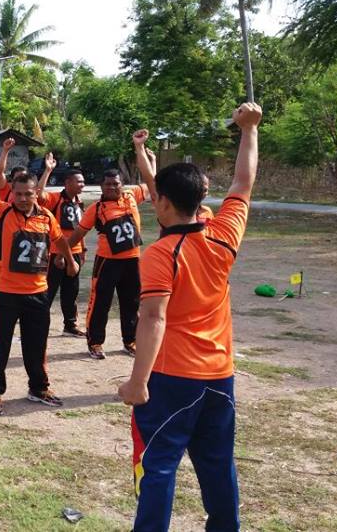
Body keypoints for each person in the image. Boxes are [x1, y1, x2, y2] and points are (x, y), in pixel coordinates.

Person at [118, 102, 262, 532]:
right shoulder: (224, 235)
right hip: (220, 376)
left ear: (161, 201)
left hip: (171, 378)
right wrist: (250, 130)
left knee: (158, 466)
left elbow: (154, 319)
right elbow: (243, 181)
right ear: (201, 200)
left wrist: (138, 381)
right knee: (218, 463)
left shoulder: (161, 254)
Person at [0, 143, 78, 415]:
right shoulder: (1, 211)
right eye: (18, 193)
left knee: (36, 344)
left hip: (38, 292)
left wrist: (70, 260)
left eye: (28, 194)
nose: (23, 198)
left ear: (37, 193)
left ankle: (38, 387)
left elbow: (59, 240)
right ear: (11, 192)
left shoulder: (47, 217)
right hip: (7, 293)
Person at [67, 168, 150, 359]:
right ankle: (95, 342)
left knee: (131, 302)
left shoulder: (131, 196)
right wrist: (64, 254)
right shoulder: (95, 209)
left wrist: (146, 156)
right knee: (100, 303)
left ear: (122, 184)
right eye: (107, 184)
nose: (112, 187)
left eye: (116, 183)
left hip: (133, 260)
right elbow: (79, 233)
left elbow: (150, 181)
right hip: (107, 262)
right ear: (101, 187)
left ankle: (130, 341)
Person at [36, 152, 87, 337]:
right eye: (78, 181)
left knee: (71, 292)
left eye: (83, 181)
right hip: (55, 254)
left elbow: (81, 228)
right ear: (67, 182)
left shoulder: (79, 202)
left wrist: (83, 250)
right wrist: (48, 170)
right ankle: (38, 323)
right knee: (47, 291)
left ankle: (70, 325)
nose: (82, 184)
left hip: (74, 253)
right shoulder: (56, 199)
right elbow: (39, 195)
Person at [0, 137, 29, 203]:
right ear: (12, 180)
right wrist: (5, 150)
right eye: (18, 178)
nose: (21, 180)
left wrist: (48, 170)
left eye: (24, 178)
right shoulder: (6, 190)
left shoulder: (31, 191)